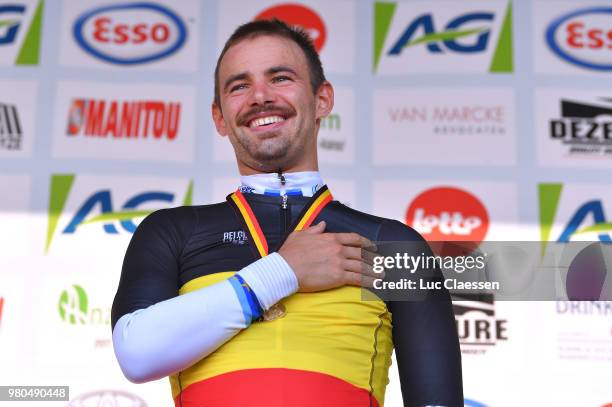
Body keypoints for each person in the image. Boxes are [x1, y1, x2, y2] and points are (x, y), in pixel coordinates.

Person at [111, 20, 462, 407]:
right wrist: (283, 272)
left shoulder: (393, 245)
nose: (260, 96)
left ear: (322, 99)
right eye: (239, 85)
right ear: (219, 117)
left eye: (280, 78)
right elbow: (137, 353)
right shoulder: (171, 231)